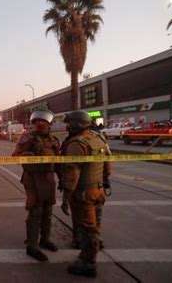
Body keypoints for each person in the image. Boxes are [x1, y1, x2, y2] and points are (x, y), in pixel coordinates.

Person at [60, 110, 111, 277]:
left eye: (69, 124)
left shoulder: (77, 144)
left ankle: (88, 263)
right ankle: (94, 248)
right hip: (98, 190)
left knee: (87, 228)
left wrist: (66, 197)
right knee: (95, 225)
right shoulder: (98, 139)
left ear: (76, 124)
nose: (67, 127)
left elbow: (72, 174)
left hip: (83, 194)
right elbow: (108, 163)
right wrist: (104, 181)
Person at [12, 109, 61, 262]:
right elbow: (14, 156)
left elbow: (58, 160)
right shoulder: (27, 138)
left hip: (48, 178)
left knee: (48, 210)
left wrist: (63, 179)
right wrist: (23, 156)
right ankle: (32, 246)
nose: (39, 123)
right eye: (36, 121)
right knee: (36, 211)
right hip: (32, 179)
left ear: (49, 123)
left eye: (43, 121)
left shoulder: (54, 140)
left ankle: (44, 239)